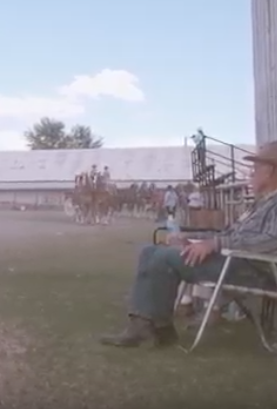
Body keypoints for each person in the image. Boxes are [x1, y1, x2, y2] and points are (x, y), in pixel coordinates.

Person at [98, 140, 277, 348]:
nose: (251, 173)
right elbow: (227, 234)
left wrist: (216, 243)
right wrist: (191, 238)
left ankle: (154, 329)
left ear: (270, 171)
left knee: (164, 257)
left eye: (256, 168)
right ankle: (151, 327)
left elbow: (271, 240)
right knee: (150, 251)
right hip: (234, 262)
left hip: (253, 270)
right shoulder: (260, 204)